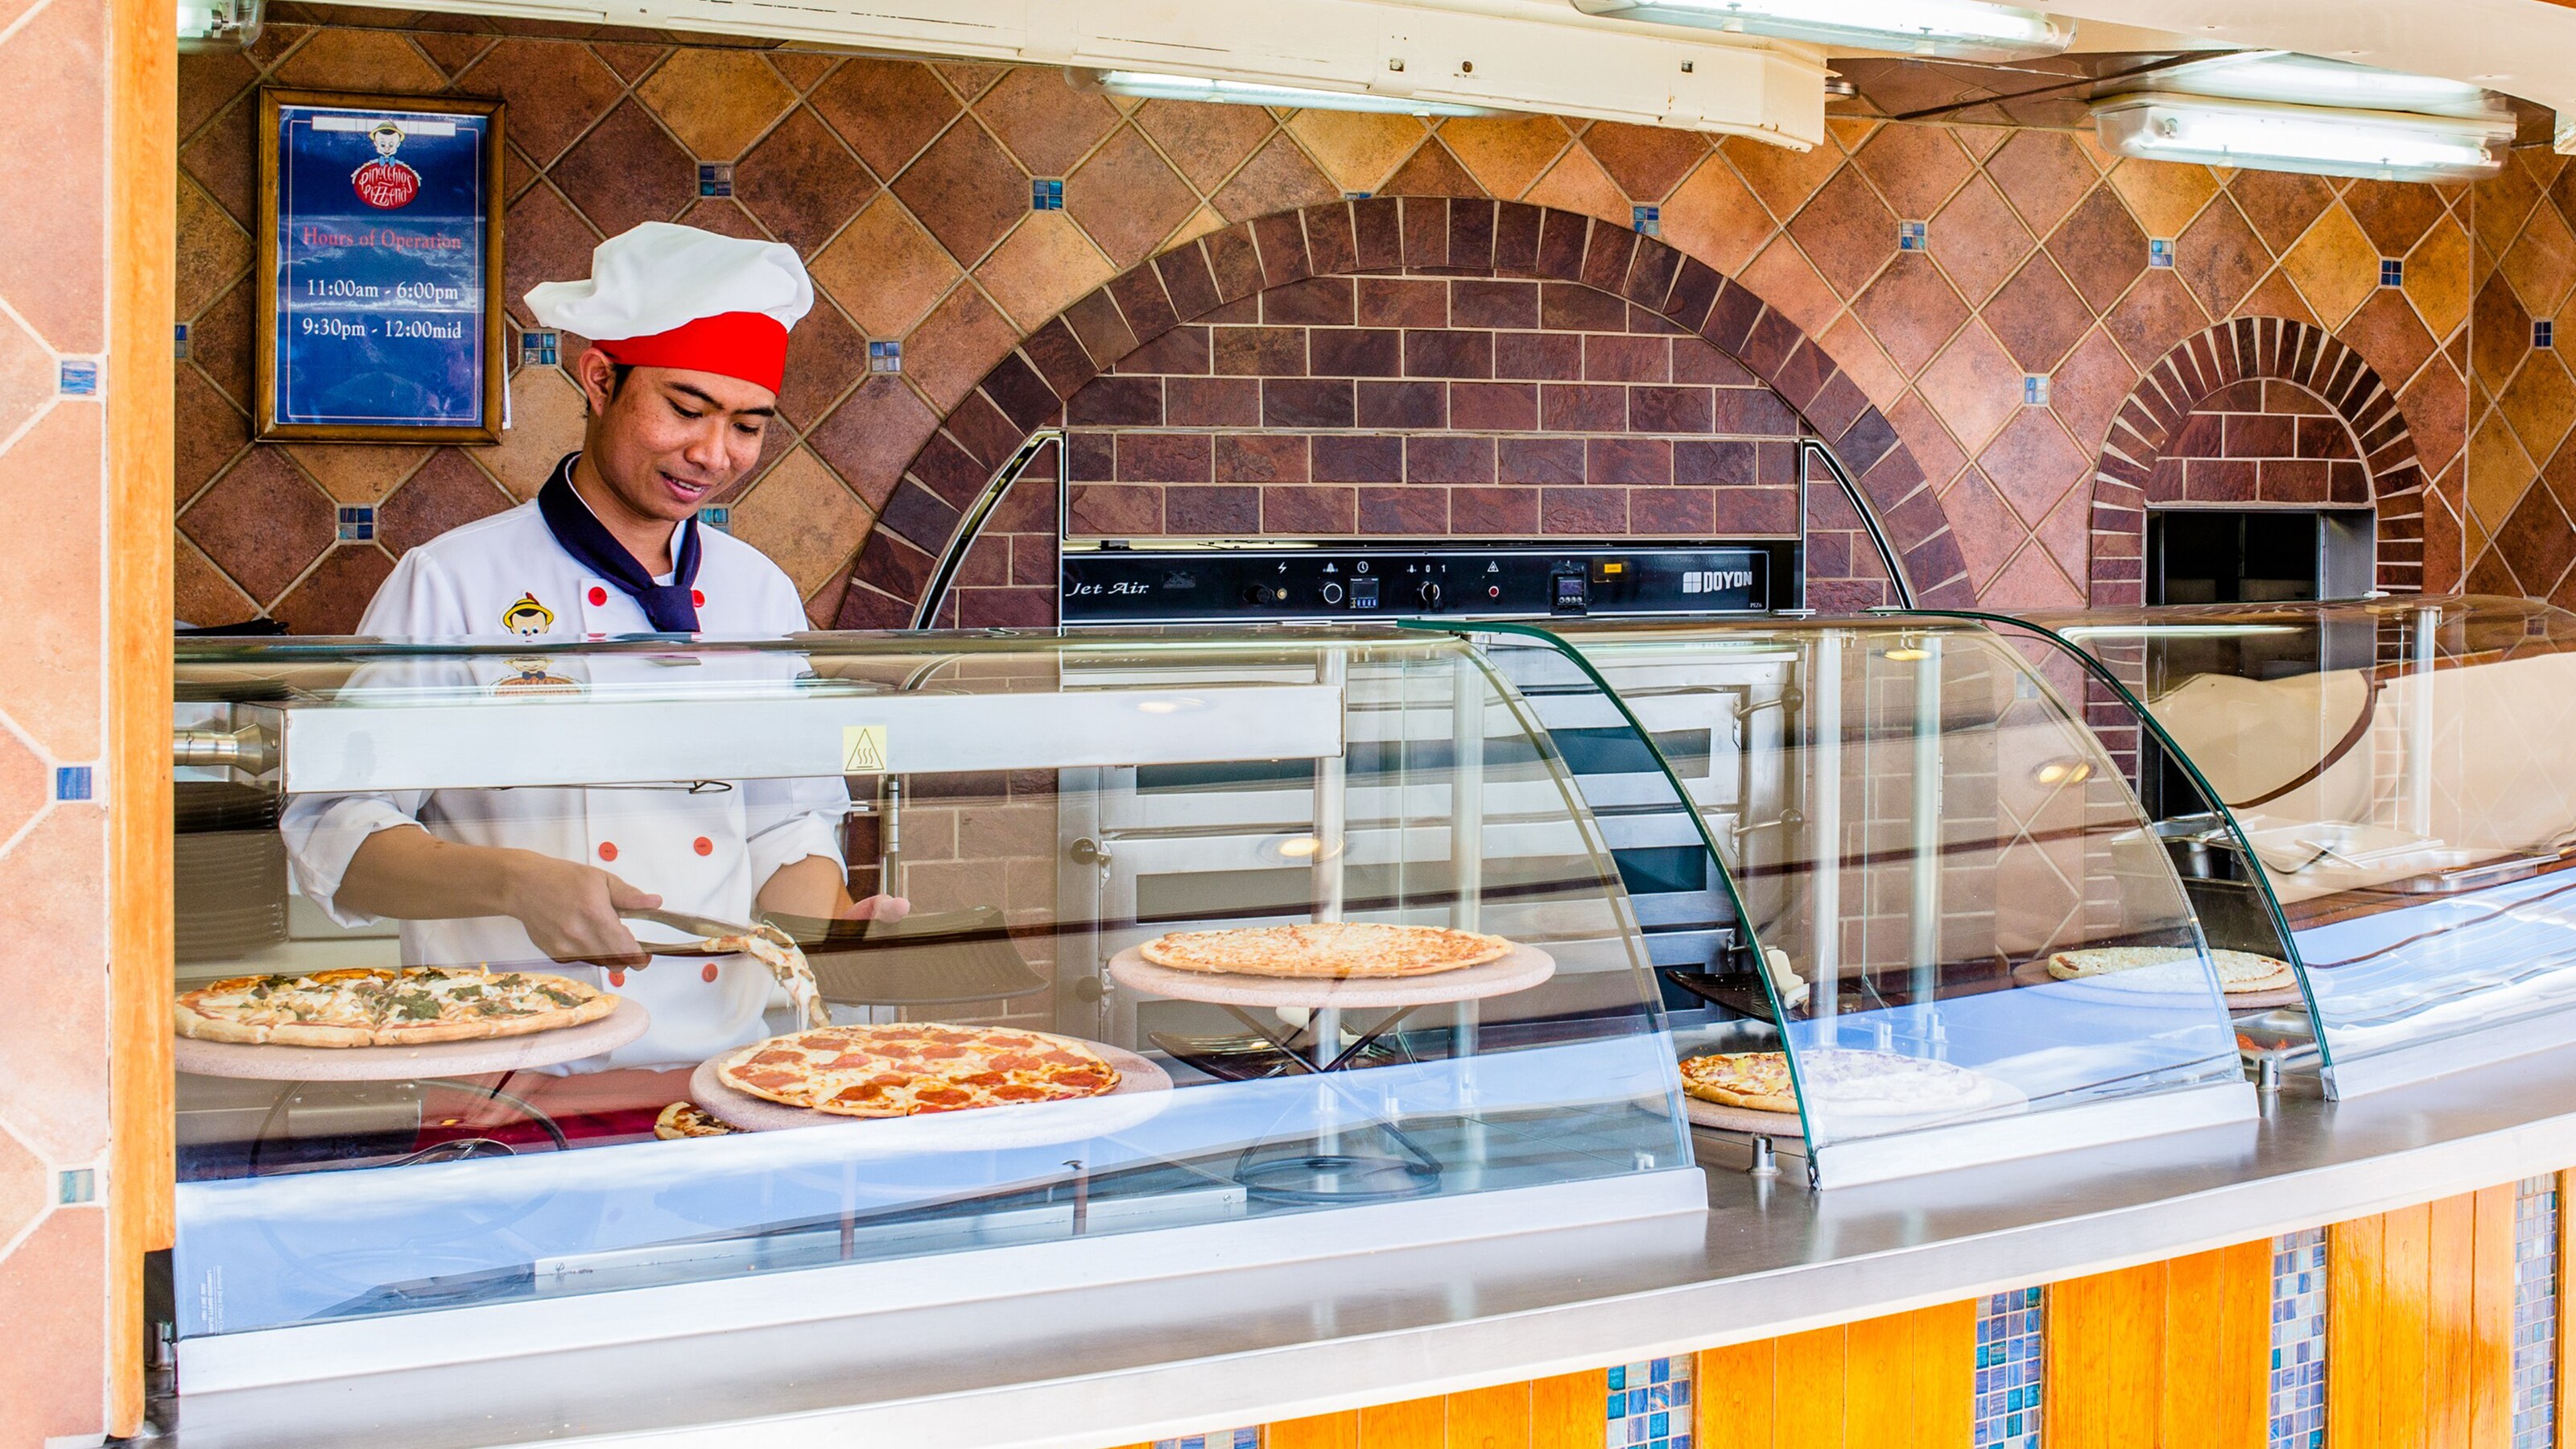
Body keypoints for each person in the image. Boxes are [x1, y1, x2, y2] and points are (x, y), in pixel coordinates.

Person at [281, 222, 904, 1072]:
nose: (713, 454)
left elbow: (782, 822)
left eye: (748, 425)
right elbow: (336, 832)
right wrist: (512, 882)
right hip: (504, 1071)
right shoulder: (455, 580)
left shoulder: (756, 592)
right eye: (686, 409)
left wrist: (830, 925)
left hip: (726, 1069)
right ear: (601, 378)